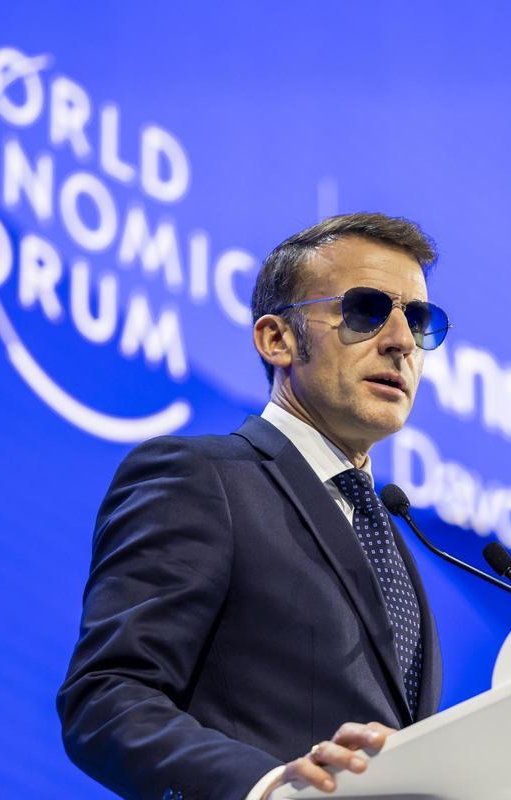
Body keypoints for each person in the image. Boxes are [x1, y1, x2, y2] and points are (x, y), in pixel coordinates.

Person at [58, 213, 451, 800]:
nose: (400, 342)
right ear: (278, 339)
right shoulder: (201, 478)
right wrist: (265, 787)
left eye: (418, 320)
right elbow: (108, 698)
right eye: (367, 310)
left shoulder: (390, 536)